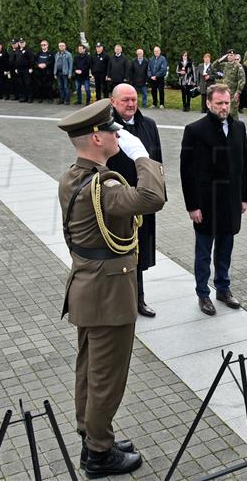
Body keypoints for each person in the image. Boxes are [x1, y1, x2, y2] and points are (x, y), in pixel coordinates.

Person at [57, 99, 165, 477]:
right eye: (113, 131)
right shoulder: (103, 187)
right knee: (107, 376)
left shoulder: (74, 176)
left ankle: (92, 433)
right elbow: (153, 199)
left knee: (89, 369)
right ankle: (99, 453)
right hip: (108, 293)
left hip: (88, 287)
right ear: (97, 138)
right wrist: (143, 157)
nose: (119, 135)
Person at [180, 84, 247, 316]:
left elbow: (245, 165)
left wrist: (244, 197)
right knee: (203, 251)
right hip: (206, 203)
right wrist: (192, 205)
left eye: (227, 103)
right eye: (219, 103)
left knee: (225, 248)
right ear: (209, 103)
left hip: (230, 202)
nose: (223, 107)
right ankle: (203, 293)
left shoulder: (238, 127)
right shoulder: (195, 130)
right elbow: (186, 171)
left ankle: (223, 288)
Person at [106, 83, 165, 318]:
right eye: (125, 100)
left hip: (143, 201)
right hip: (117, 202)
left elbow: (157, 161)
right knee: (118, 253)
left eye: (134, 99)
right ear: (113, 102)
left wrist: (160, 194)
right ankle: (117, 301)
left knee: (138, 253)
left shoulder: (148, 125)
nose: (131, 104)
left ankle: (138, 299)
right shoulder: (105, 127)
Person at [211, 49, 246, 121]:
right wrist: (221, 59)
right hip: (224, 92)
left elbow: (242, 80)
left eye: (231, 55)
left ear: (234, 56)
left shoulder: (238, 66)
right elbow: (213, 66)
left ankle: (236, 128)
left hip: (233, 93)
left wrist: (238, 92)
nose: (230, 57)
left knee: (233, 113)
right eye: (229, 55)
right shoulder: (225, 65)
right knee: (223, 112)